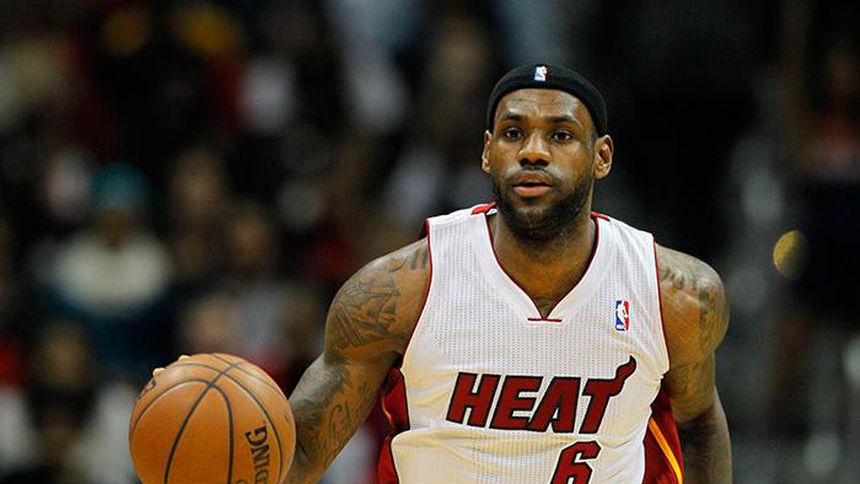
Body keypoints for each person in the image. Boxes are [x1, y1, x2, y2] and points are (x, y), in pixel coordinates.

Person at [152, 63, 731, 482]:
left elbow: (700, 422)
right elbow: (298, 454)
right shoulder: (399, 291)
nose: (533, 151)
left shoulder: (675, 295)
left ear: (601, 156)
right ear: (487, 152)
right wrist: (208, 443)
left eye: (560, 135)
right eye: (513, 133)